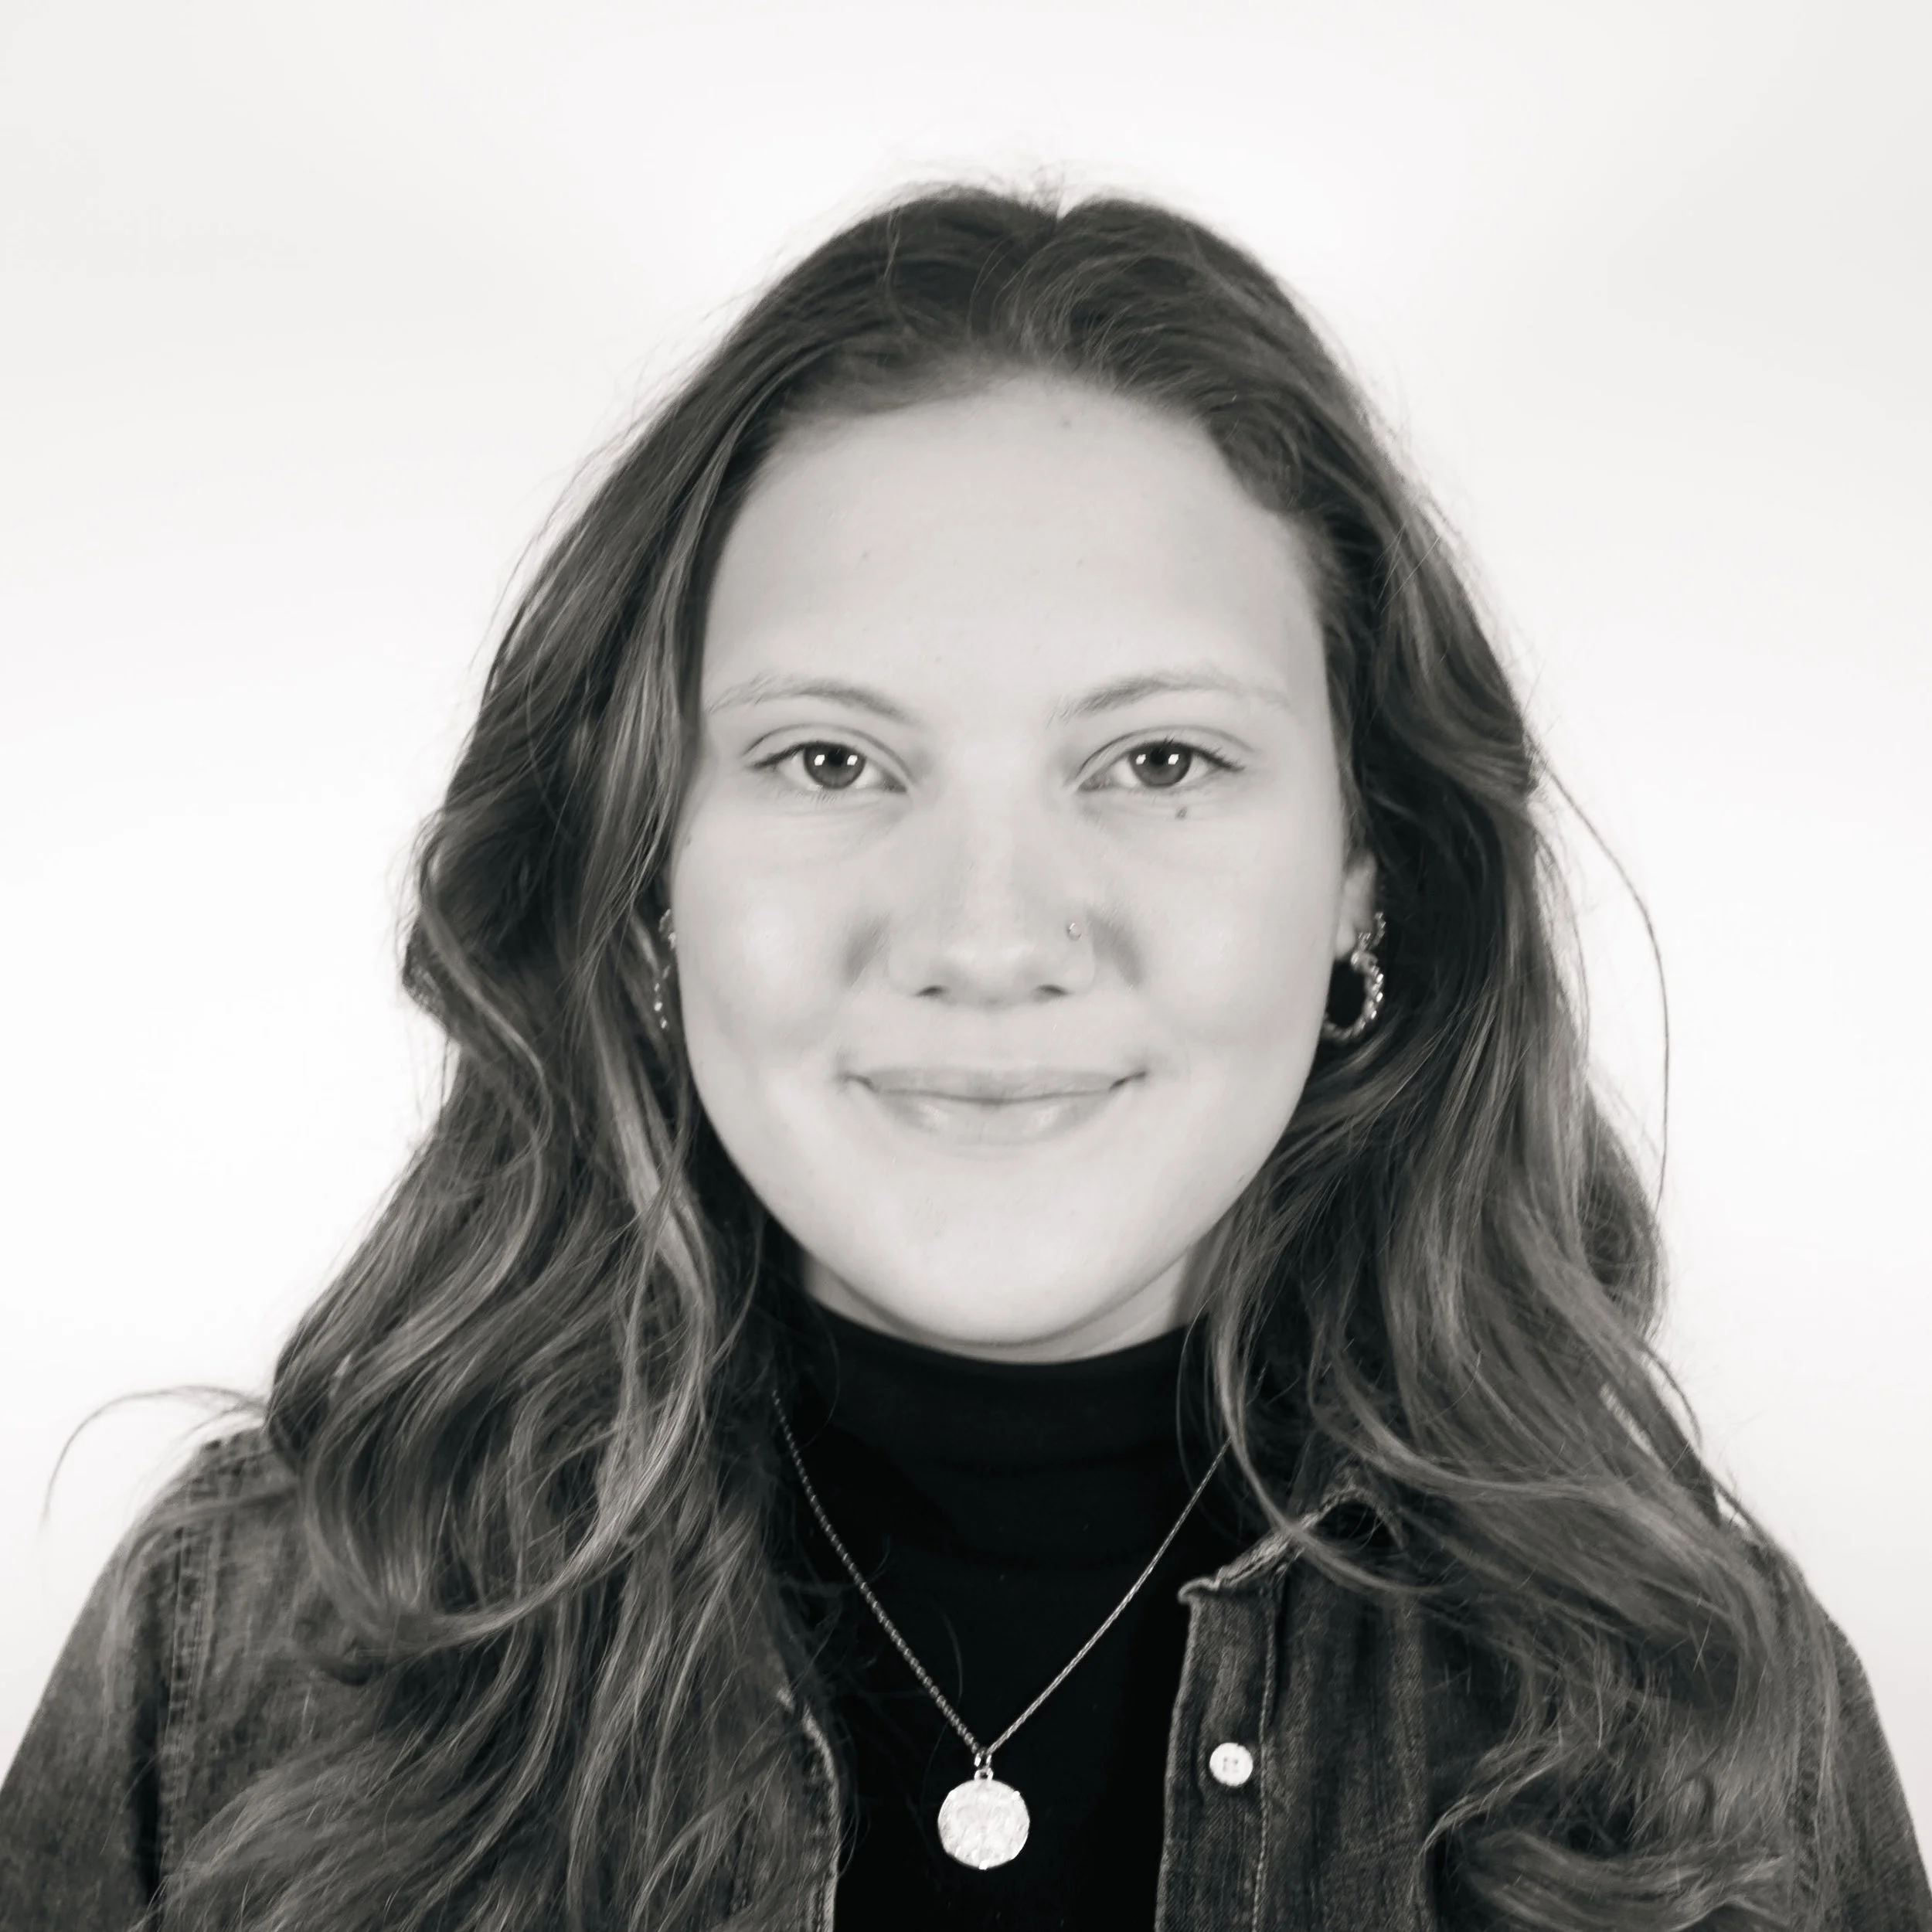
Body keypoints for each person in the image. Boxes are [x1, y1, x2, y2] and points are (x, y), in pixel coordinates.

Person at [0, 185, 1924, 1932]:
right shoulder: (239, 1645)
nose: (989, 940)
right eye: (829, 758)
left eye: (1158, 759)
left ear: (1368, 869)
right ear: (646, 872)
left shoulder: (1691, 1715)